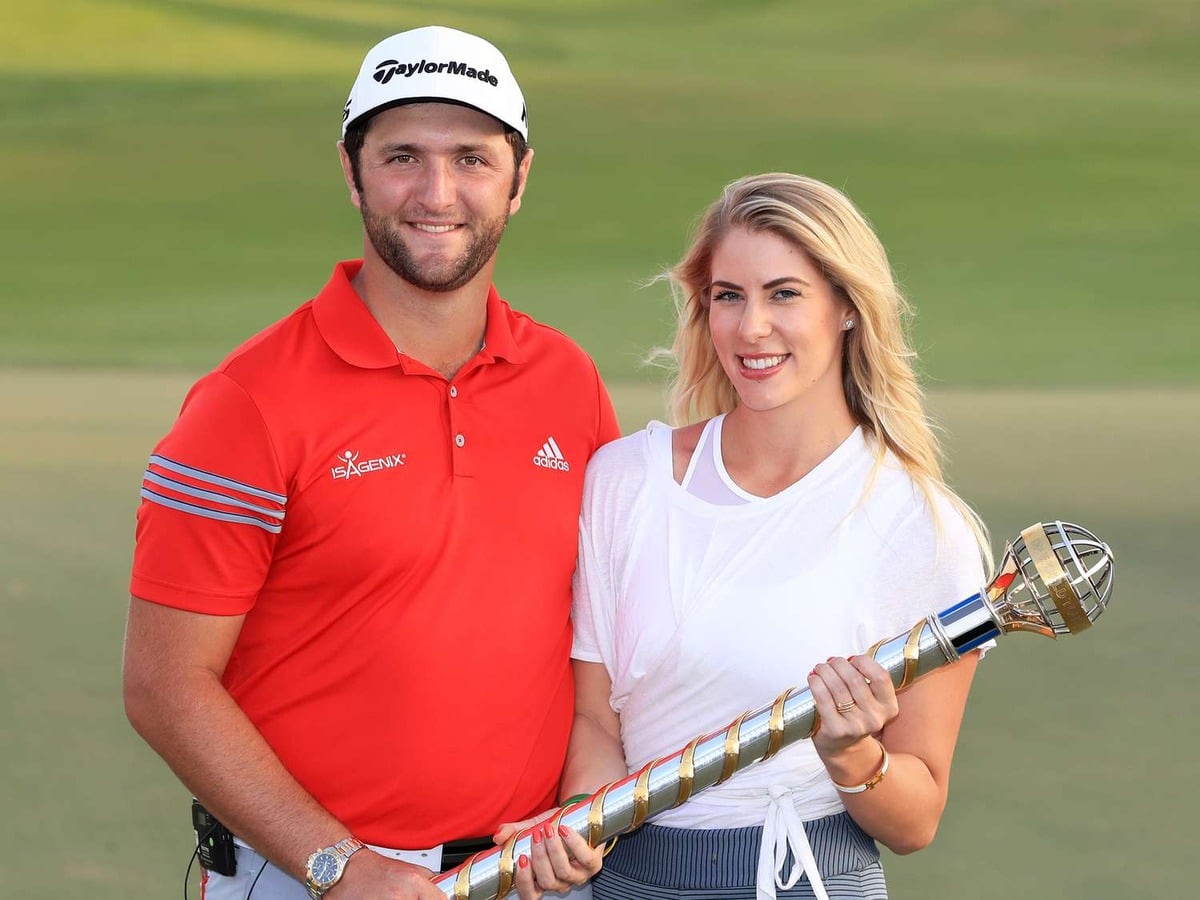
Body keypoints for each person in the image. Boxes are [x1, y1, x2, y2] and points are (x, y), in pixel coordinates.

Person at [123, 25, 615, 900]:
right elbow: (164, 687)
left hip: (528, 876)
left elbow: (597, 640)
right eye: (402, 157)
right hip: (301, 879)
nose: (438, 192)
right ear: (351, 173)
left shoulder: (566, 382)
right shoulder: (245, 404)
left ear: (520, 177)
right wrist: (335, 864)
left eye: (472, 157)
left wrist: (580, 805)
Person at [538, 173, 994, 899]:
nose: (751, 328)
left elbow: (916, 820)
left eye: (784, 294)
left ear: (847, 308)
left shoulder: (919, 525)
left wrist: (852, 756)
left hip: (806, 878)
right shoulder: (626, 480)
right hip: (630, 883)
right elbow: (596, 718)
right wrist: (577, 823)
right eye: (729, 296)